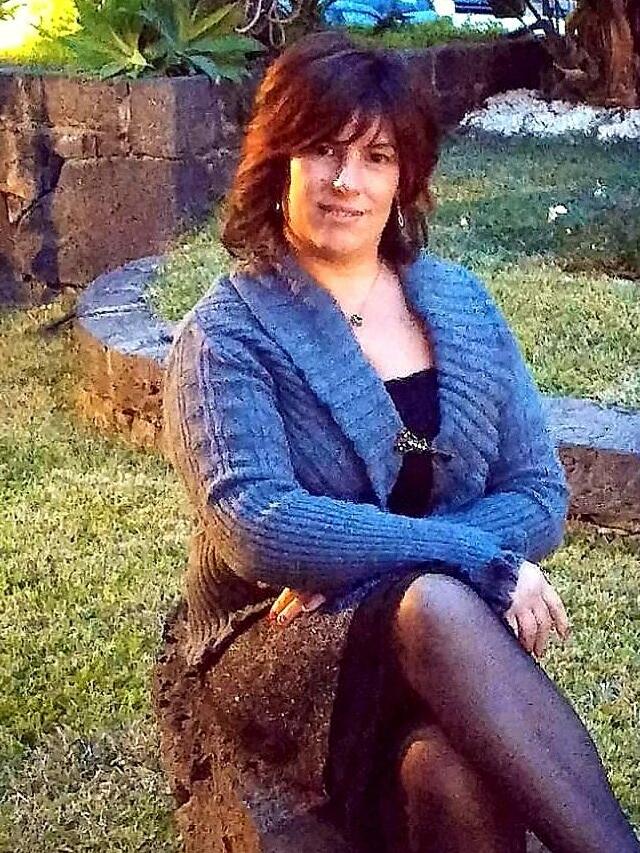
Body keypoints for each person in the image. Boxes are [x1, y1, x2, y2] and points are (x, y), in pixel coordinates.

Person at [159, 30, 640, 853]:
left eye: (376, 156)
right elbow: (258, 526)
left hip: (427, 639)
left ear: (404, 176)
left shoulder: (461, 304)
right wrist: (470, 557)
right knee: (435, 600)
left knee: (452, 770)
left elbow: (538, 494)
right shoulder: (227, 333)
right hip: (275, 643)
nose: (346, 180)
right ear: (278, 163)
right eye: (322, 149)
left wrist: (399, 560)